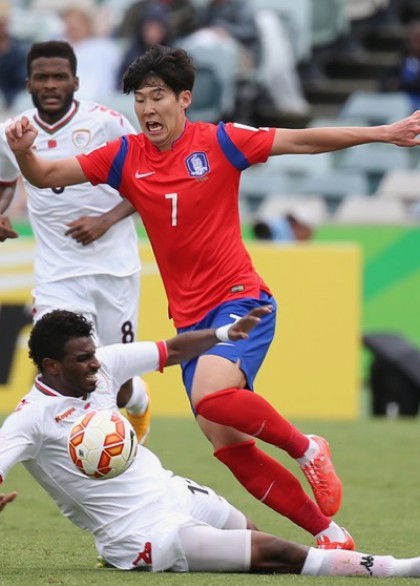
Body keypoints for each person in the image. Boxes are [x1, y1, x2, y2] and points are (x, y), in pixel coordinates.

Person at [6, 44, 420, 549]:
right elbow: (46, 176)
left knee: (211, 397)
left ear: (185, 99)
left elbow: (305, 141)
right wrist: (26, 151)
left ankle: (307, 446)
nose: (147, 109)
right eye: (139, 99)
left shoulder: (221, 142)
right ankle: (331, 534)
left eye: (157, 96)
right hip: (192, 323)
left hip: (241, 300)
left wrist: (383, 132)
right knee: (229, 447)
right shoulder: (124, 156)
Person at [1, 307, 420, 578]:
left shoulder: (104, 366)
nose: (94, 363)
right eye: (82, 359)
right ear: (52, 366)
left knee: (249, 539)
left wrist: (223, 333)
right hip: (141, 531)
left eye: (93, 353)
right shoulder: (31, 419)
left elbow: (173, 349)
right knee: (274, 552)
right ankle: (396, 569)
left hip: (173, 490)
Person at [0, 40, 150, 444]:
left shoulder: (107, 123)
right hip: (57, 274)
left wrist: (106, 220)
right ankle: (79, 452)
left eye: (59, 77)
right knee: (63, 369)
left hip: (113, 270)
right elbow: (4, 182)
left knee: (114, 382)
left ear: (75, 81)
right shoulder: (11, 133)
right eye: (42, 77)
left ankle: (136, 402)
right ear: (28, 82)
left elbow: (146, 181)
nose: (51, 84)